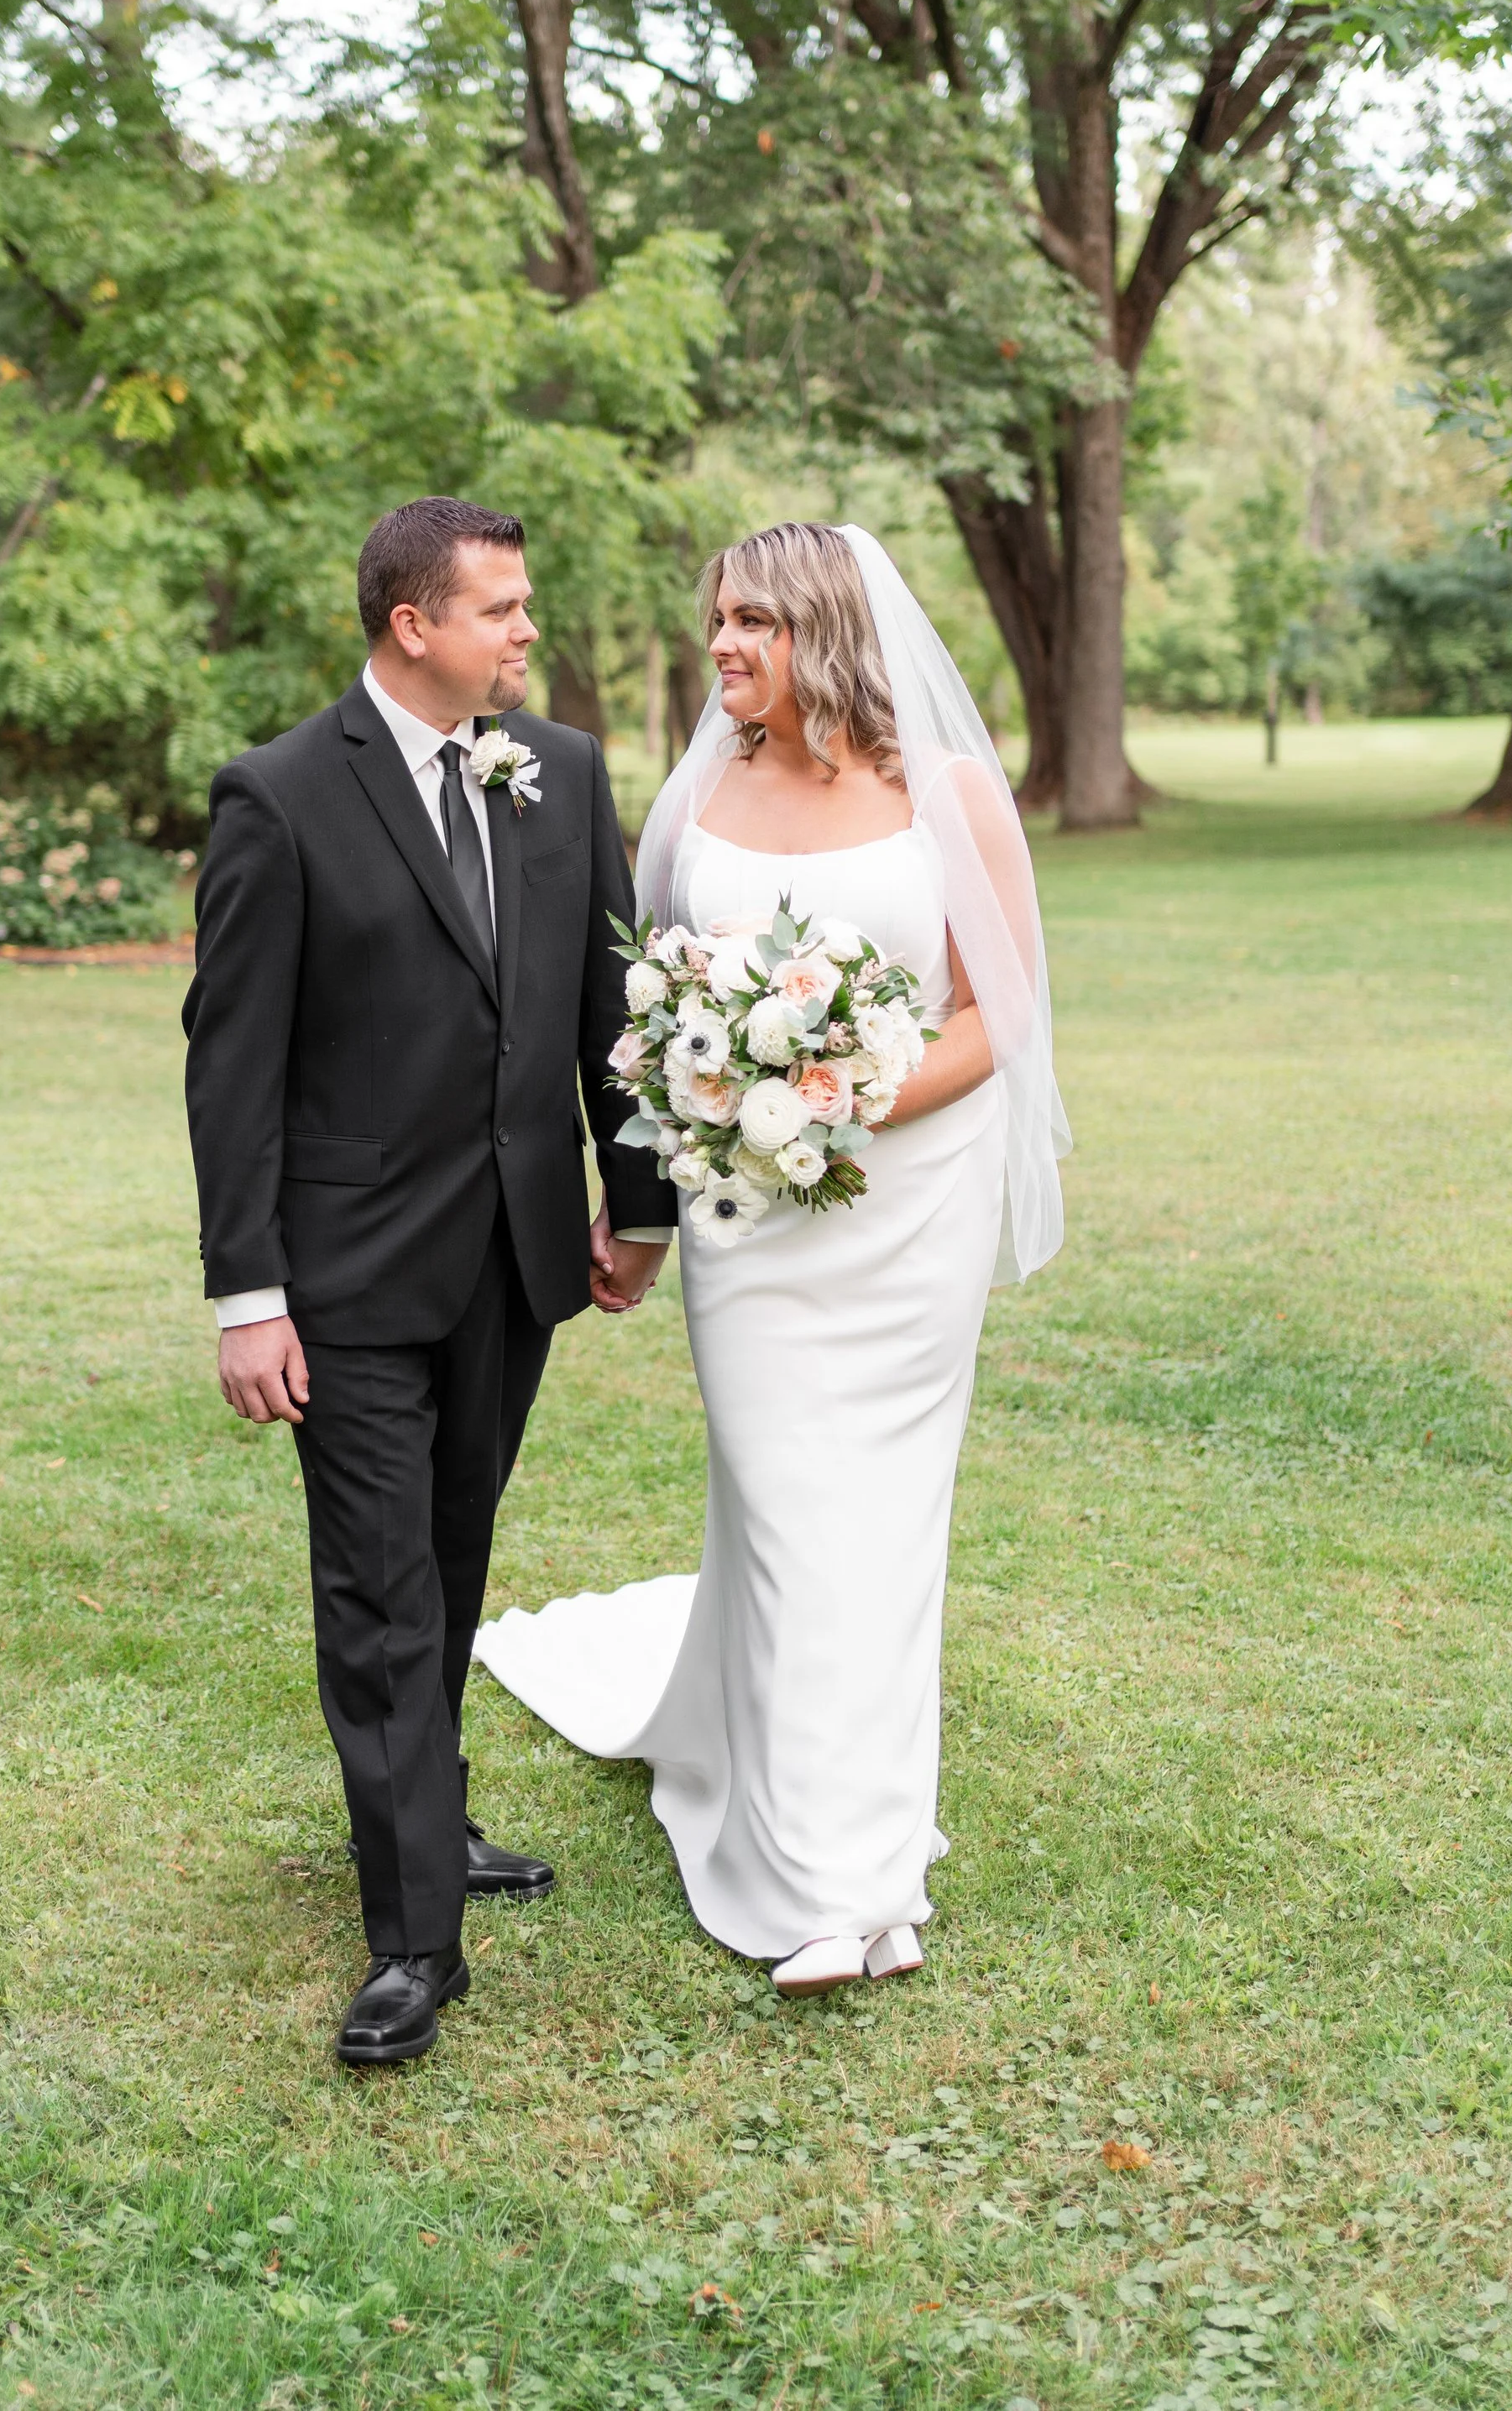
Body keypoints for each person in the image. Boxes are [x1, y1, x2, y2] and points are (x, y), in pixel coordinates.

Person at [474, 522, 1069, 1993]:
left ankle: (851, 1877)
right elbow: (652, 1000)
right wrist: (715, 1125)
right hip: (749, 1215)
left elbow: (1003, 1012)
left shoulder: (947, 793)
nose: (726, 643)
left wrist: (838, 1092)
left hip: (905, 1203)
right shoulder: (702, 796)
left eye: (754, 621)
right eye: (720, 619)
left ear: (826, 630)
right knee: (787, 1498)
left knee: (879, 1521)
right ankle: (823, 1880)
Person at [182, 497, 674, 2066]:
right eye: (503, 609)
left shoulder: (563, 772)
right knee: (381, 1588)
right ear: (414, 625)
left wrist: (638, 1202)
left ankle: (426, 1815)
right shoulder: (278, 797)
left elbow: (611, 1006)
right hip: (344, 1274)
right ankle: (413, 1937)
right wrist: (246, 1291)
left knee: (451, 1561)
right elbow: (233, 1062)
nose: (528, 632)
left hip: (514, 1258)